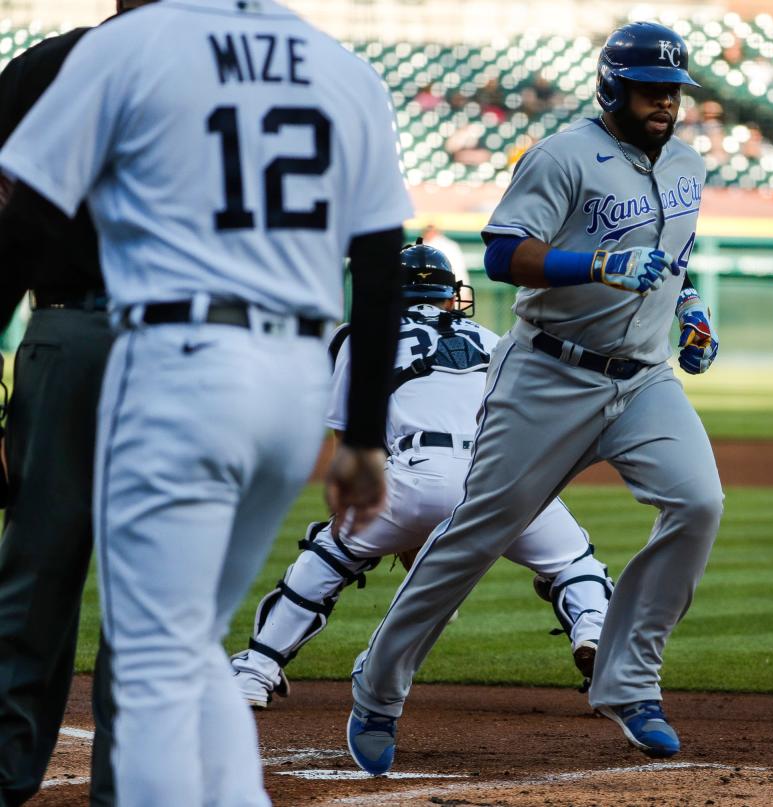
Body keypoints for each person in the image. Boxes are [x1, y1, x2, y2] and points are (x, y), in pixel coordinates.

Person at [0, 0, 412, 802]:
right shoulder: (339, 65)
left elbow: (21, 227)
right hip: (291, 373)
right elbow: (381, 265)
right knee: (186, 644)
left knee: (139, 646)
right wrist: (363, 431)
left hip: (169, 353)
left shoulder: (127, 47)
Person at [347, 21, 723, 776]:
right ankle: (377, 689)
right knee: (477, 532)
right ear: (613, 86)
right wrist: (598, 262)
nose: (665, 103)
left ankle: (628, 681)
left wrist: (688, 312)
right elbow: (500, 253)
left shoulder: (689, 164)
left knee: (699, 503)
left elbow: (675, 259)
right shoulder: (561, 156)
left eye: (674, 91)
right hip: (549, 375)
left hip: (645, 377)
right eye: (652, 89)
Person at [230, 240, 613, 707]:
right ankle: (595, 636)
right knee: (575, 562)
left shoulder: (362, 335)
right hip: (505, 474)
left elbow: (352, 445)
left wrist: (385, 522)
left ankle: (256, 671)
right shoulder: (492, 339)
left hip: (421, 471)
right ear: (452, 294)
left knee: (329, 554)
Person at [0, 2, 163, 799]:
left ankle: (3, 772)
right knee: (149, 585)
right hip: (178, 344)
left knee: (33, 572)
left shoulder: (40, 66)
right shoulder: (219, 75)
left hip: (63, 333)